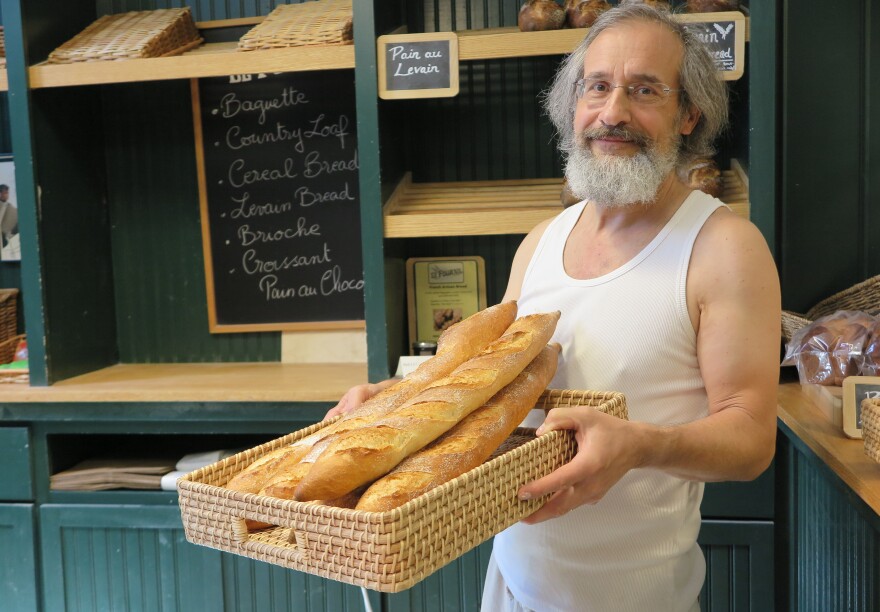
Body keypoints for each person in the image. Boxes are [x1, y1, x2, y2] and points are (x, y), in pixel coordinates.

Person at [328, 5, 780, 611]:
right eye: (597, 87)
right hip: (512, 590)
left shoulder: (723, 247)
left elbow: (751, 439)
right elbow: (486, 389)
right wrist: (392, 402)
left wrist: (641, 445)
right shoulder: (541, 242)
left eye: (645, 90)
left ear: (689, 114)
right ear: (574, 105)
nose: (613, 112)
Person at [0, 184, 18, 249]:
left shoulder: (9, 207)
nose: (7, 195)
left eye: (7, 193)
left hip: (5, 237)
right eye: (5, 193)